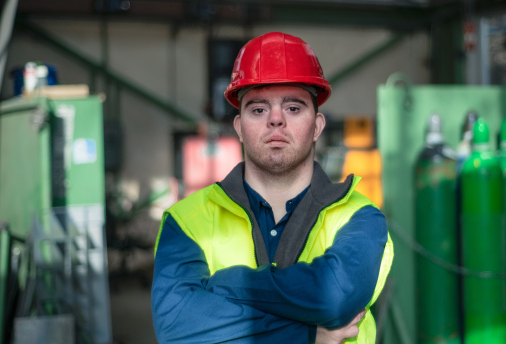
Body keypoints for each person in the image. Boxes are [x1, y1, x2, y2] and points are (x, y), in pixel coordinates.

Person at [151, 32, 394, 343]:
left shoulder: (361, 217)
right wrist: (305, 334)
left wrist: (227, 284)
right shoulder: (186, 222)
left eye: (293, 108)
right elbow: (177, 327)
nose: (276, 120)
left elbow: (335, 298)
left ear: (317, 126)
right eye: (258, 109)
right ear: (239, 127)